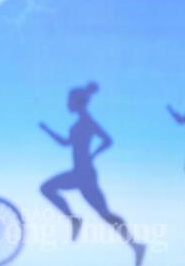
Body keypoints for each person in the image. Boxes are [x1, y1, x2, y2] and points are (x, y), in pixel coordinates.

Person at [39, 82, 145, 266]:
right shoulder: (79, 124)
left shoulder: (87, 122)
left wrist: (94, 154)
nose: (67, 104)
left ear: (77, 102)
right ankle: (76, 220)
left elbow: (108, 140)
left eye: (69, 100)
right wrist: (47, 130)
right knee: (48, 189)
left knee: (105, 214)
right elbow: (65, 143)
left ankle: (135, 246)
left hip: (85, 174)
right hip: (79, 173)